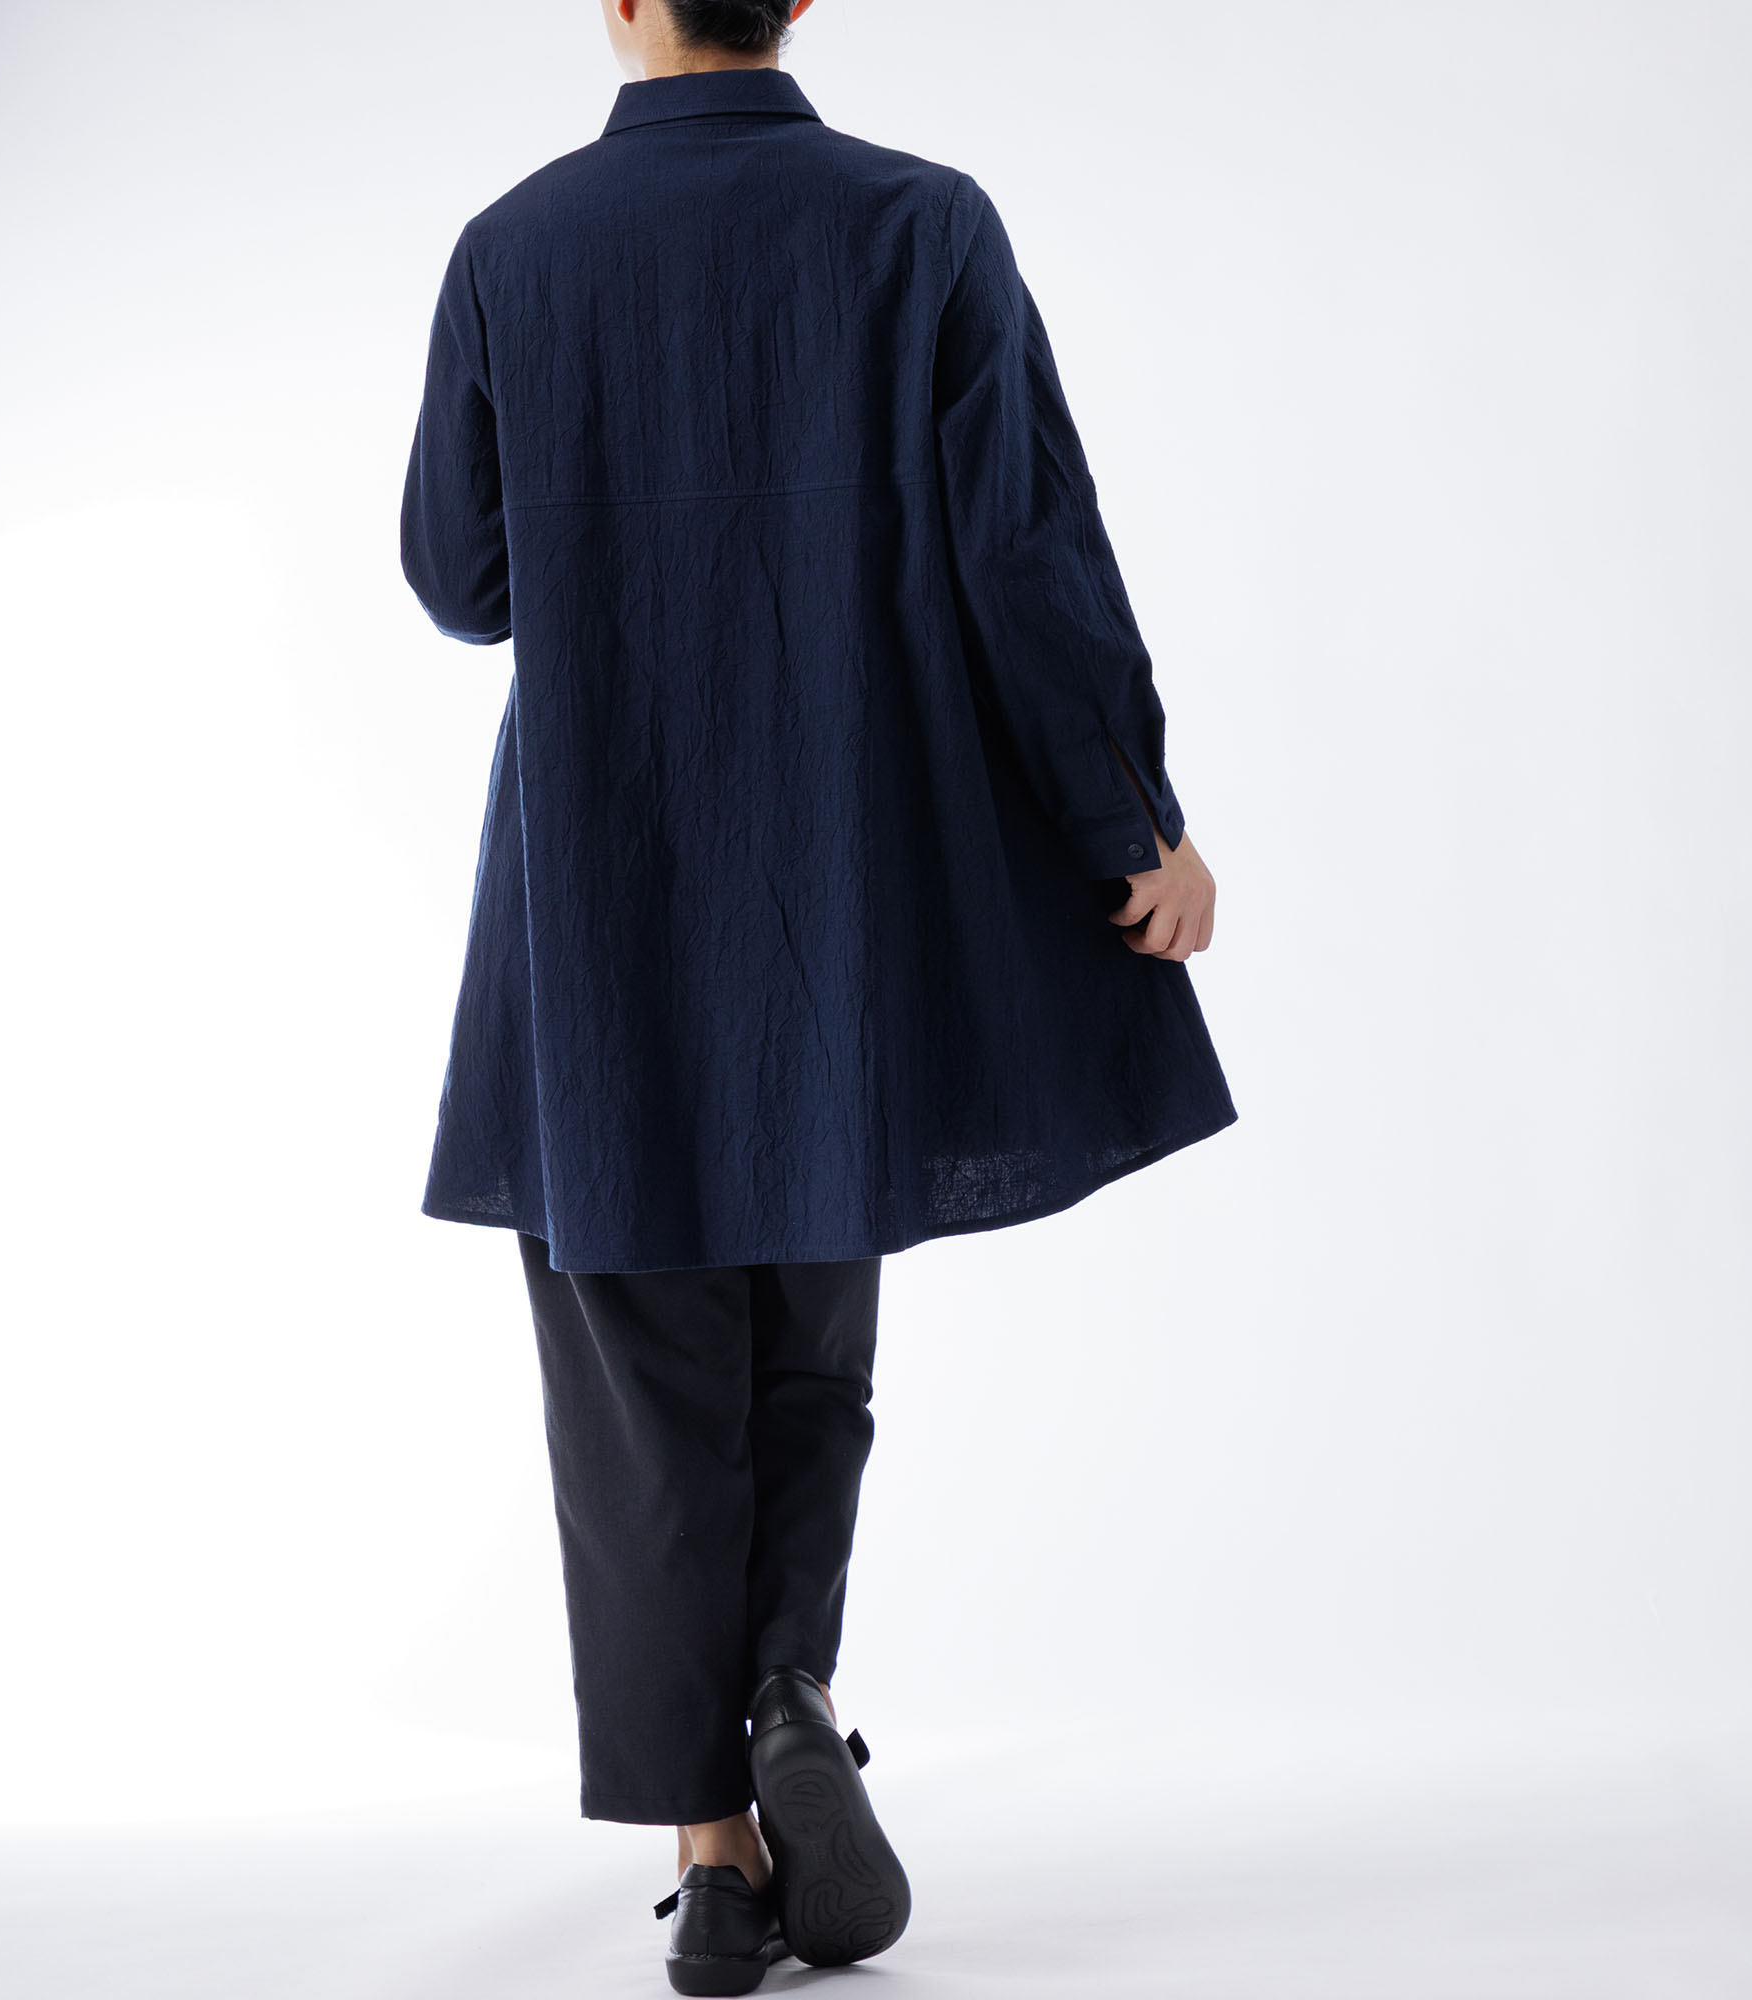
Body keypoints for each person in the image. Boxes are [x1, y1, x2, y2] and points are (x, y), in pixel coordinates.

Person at [399, 0, 1237, 1988]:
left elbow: (460, 579)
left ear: (621, 4)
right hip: (842, 893)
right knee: (808, 1348)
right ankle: (788, 1684)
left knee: (641, 1390)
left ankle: (713, 1855)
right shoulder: (918, 226)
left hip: (604, 894)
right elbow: (1026, 558)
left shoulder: (515, 247)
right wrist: (1133, 820)